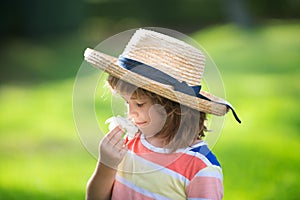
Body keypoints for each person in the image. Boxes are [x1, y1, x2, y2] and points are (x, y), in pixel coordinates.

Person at [84, 28, 240, 200]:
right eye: (126, 102)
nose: (130, 113)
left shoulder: (200, 167)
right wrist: (107, 164)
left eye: (140, 104)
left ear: (174, 108)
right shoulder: (128, 143)